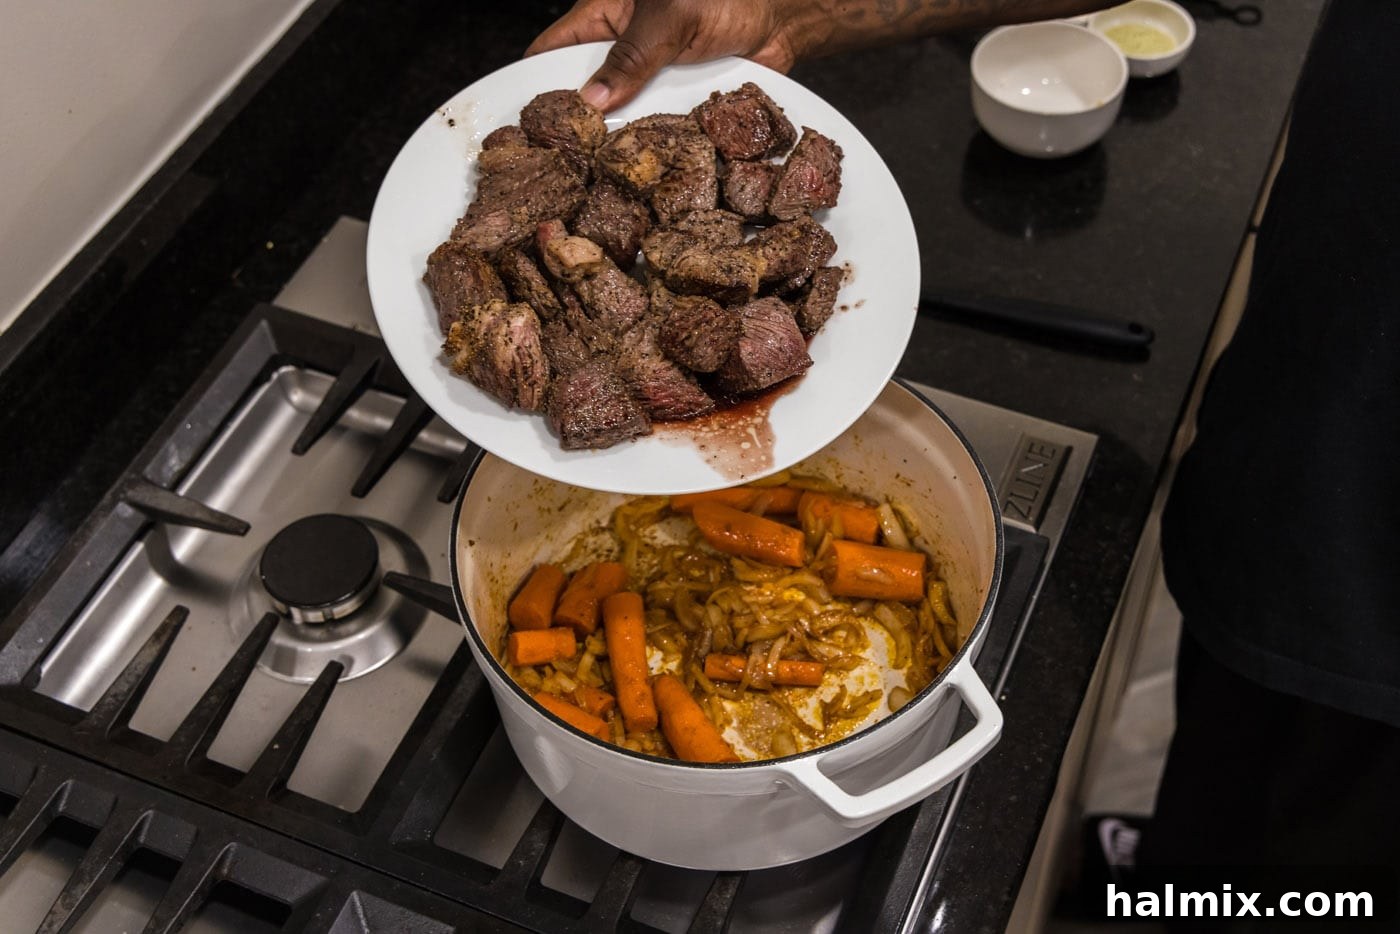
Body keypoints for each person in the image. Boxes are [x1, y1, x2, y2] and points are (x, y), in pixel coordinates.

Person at [531, 0, 1400, 924]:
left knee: (1333, 846)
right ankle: (1176, 882)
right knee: (1232, 736)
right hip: (1306, 399)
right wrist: (790, 12)